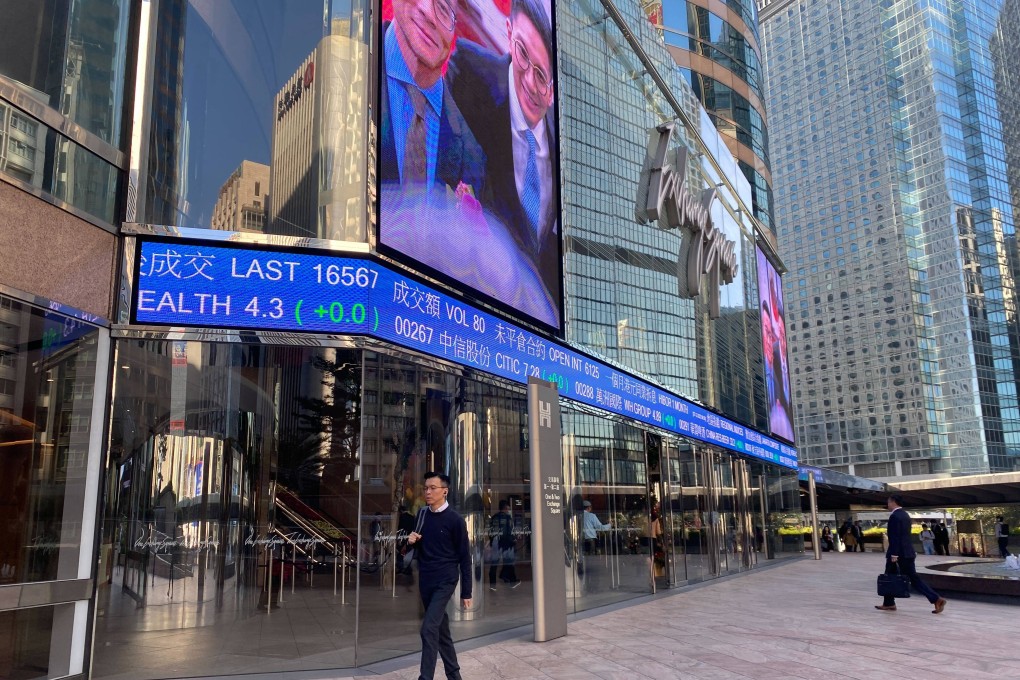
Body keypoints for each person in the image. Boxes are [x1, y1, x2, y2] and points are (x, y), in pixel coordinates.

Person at [448, 0, 559, 304]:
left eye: (543, 77)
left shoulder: (560, 149)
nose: (530, 82)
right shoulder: (469, 75)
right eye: (523, 54)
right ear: (509, 34)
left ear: (553, 91)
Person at [406, 472, 472, 680]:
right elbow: (416, 548)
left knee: (428, 629)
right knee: (441, 631)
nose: (428, 492)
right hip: (426, 579)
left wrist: (466, 592)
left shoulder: (455, 520)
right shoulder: (422, 515)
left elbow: (464, 557)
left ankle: (425, 678)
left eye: (432, 488)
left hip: (446, 580)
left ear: (445, 491)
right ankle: (454, 676)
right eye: (426, 488)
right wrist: (410, 541)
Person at [876, 494, 947, 614]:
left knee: (905, 578)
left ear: (893, 502)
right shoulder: (905, 515)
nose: (887, 505)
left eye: (888, 502)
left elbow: (895, 537)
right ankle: (889, 603)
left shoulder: (895, 516)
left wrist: (894, 554)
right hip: (907, 552)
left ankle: (936, 599)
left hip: (899, 554)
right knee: (893, 576)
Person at [487, 500, 520, 590]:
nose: (509, 510)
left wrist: (491, 541)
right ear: (505, 508)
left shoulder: (493, 517)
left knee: (494, 564)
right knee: (509, 562)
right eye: (508, 508)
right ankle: (511, 581)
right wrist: (513, 541)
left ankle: (492, 585)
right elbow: (510, 531)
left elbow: (490, 531)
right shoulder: (508, 518)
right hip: (505, 543)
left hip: (495, 542)